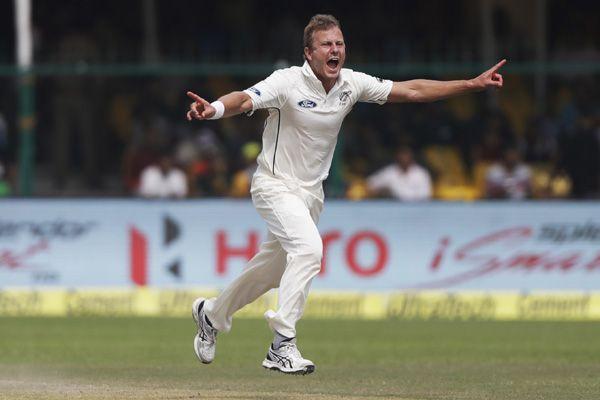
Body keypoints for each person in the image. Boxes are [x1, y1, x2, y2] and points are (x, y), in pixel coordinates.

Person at [186, 14, 506, 374]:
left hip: (310, 194)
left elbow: (411, 90)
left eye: (339, 43)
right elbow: (245, 100)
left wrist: (470, 84)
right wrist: (212, 109)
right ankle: (282, 344)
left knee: (274, 270)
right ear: (309, 53)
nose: (335, 49)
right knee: (309, 250)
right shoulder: (287, 81)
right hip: (274, 185)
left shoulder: (351, 83)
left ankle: (211, 315)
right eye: (326, 44)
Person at [367, 146, 432, 201]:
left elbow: (425, 195)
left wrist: (396, 192)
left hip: (415, 209)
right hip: (393, 209)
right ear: (397, 157)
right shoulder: (390, 172)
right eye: (402, 155)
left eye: (406, 155)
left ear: (411, 157)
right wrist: (382, 191)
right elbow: (370, 183)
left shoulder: (421, 173)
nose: (404, 158)